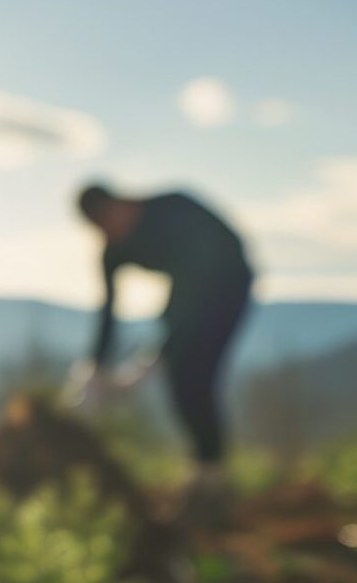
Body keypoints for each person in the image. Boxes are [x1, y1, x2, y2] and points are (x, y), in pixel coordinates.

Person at [70, 182, 254, 505]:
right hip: (185, 292)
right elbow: (108, 309)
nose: (111, 233)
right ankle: (202, 466)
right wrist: (94, 368)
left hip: (229, 282)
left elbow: (202, 278)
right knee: (179, 377)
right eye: (100, 229)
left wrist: (159, 352)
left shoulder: (175, 209)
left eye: (108, 220)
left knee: (199, 371)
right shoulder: (114, 249)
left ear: (122, 202)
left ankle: (213, 475)